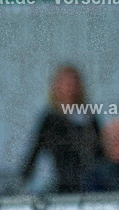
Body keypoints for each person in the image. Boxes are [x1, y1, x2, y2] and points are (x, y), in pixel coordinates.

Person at [19, 66, 102, 194]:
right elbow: (35, 150)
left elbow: (101, 149)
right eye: (65, 84)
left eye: (73, 84)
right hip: (63, 183)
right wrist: (21, 181)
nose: (69, 88)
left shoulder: (88, 117)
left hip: (90, 182)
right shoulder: (51, 119)